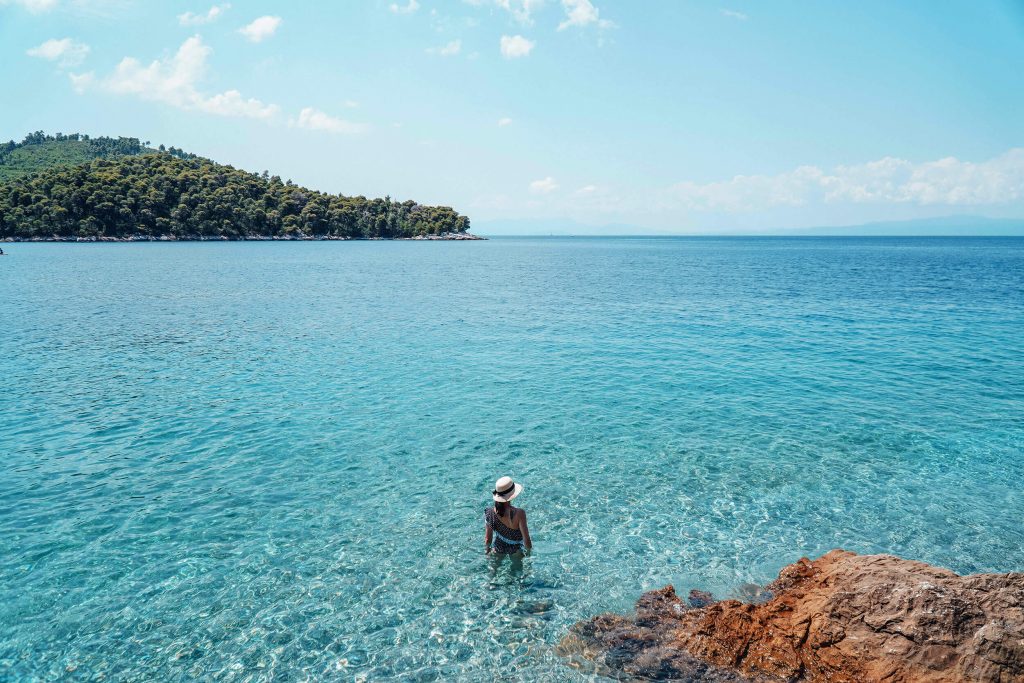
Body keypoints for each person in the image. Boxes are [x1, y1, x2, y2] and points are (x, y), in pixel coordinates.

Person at [484, 476, 532, 555]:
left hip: (498, 546)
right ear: (512, 494)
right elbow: (526, 539)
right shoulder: (519, 513)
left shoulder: (490, 512)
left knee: (492, 567)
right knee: (516, 567)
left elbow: (487, 539)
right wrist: (529, 554)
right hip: (517, 549)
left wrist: (486, 552)